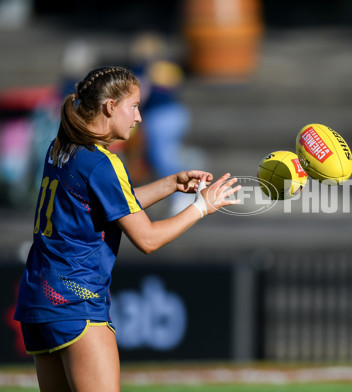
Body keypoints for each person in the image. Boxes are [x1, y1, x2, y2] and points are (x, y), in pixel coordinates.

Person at [13, 66, 241, 391]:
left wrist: (170, 184)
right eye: (133, 106)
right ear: (110, 107)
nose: (139, 118)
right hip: (76, 301)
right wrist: (202, 207)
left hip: (38, 300)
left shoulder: (61, 147)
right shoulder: (103, 162)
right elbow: (147, 239)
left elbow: (111, 205)